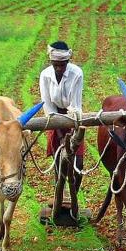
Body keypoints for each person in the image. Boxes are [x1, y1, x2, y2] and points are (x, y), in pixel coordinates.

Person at [39, 40, 84, 192]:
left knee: (78, 164)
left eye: (62, 64)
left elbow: (75, 105)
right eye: (55, 64)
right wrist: (58, 133)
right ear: (51, 61)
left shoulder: (76, 73)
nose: (59, 68)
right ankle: (59, 194)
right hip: (54, 118)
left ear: (68, 61)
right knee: (59, 162)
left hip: (73, 118)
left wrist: (72, 135)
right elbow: (48, 105)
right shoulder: (45, 75)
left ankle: (74, 197)